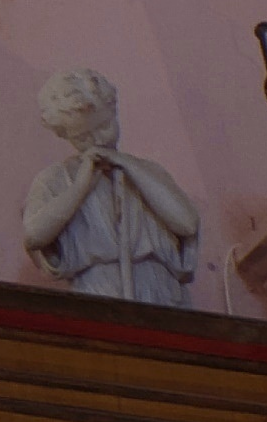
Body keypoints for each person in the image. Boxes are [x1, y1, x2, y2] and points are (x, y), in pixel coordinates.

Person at [20, 68, 198, 305]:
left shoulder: (149, 172)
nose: (98, 141)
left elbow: (186, 224)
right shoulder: (56, 178)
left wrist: (129, 166)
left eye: (104, 126)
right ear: (65, 136)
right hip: (99, 290)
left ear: (114, 112)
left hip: (159, 290)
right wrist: (81, 187)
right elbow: (34, 236)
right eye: (82, 137)